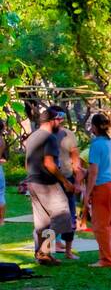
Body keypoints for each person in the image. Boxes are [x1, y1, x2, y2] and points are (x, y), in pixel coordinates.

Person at [24, 107, 75, 265]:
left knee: (42, 223)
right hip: (47, 184)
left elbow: (28, 163)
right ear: (51, 120)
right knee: (63, 217)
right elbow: (49, 163)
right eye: (59, 120)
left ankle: (42, 255)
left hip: (33, 182)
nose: (61, 123)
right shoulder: (49, 137)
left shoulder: (32, 137)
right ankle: (44, 251)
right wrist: (65, 181)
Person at [84, 112, 111, 267]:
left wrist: (87, 193)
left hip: (102, 187)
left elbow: (93, 171)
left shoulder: (96, 145)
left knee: (101, 225)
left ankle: (106, 259)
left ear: (95, 127)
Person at [56, 112, 83, 259]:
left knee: (69, 215)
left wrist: (77, 181)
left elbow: (75, 159)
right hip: (50, 181)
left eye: (60, 118)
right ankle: (48, 249)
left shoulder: (69, 135)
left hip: (67, 178)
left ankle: (67, 250)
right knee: (48, 217)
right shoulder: (44, 135)